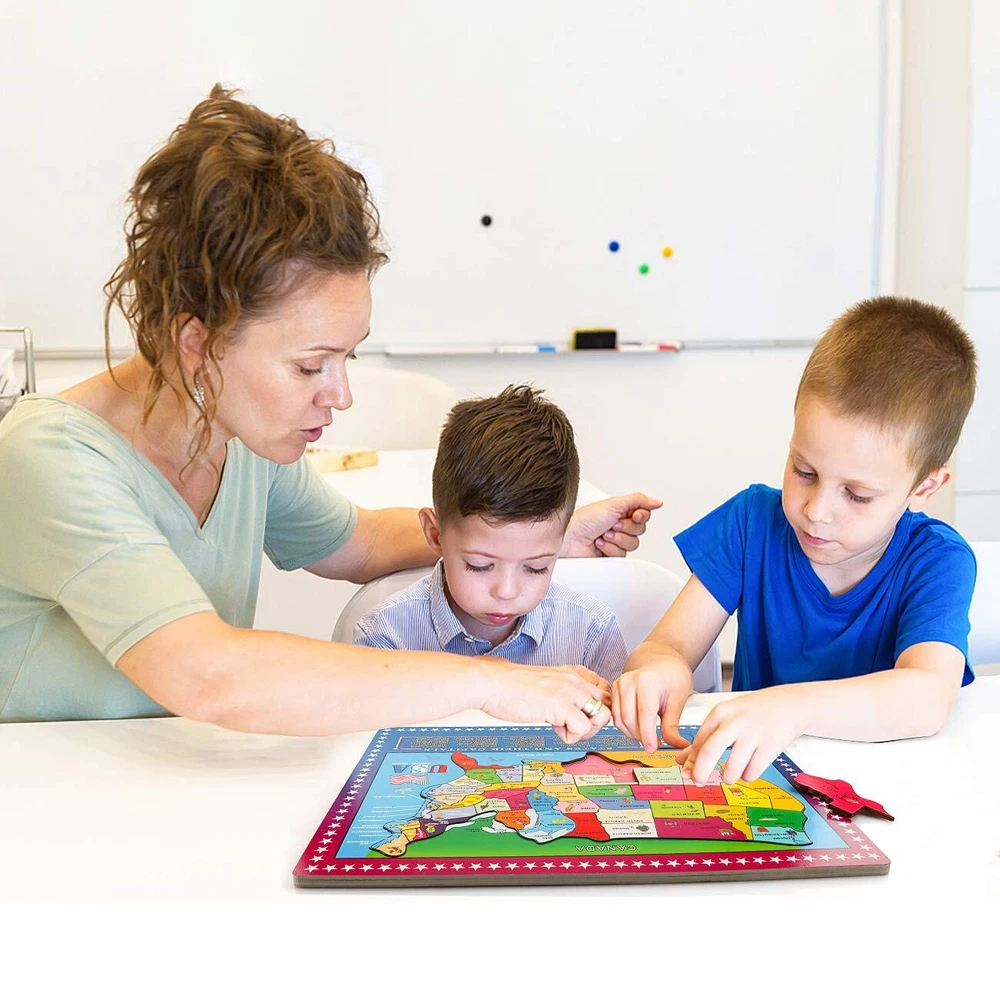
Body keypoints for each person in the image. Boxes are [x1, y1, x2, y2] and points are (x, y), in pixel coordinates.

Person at [0, 85, 662, 742]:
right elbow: (209, 675)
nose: (340, 395)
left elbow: (361, 542)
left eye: (347, 357)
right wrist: (491, 682)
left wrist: (540, 542)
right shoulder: (51, 459)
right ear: (198, 341)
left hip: (173, 769)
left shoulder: (237, 437)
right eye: (310, 366)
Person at [612, 296, 978, 781]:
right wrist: (659, 670)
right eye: (804, 471)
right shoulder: (751, 523)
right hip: (757, 784)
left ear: (925, 487)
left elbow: (927, 696)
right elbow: (669, 646)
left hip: (887, 785)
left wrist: (790, 709)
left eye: (857, 494)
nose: (816, 511)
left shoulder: (937, 561)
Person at [354, 385, 629, 681]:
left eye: (536, 567)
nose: (507, 591)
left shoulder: (590, 632)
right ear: (435, 535)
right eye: (480, 565)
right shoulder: (387, 636)